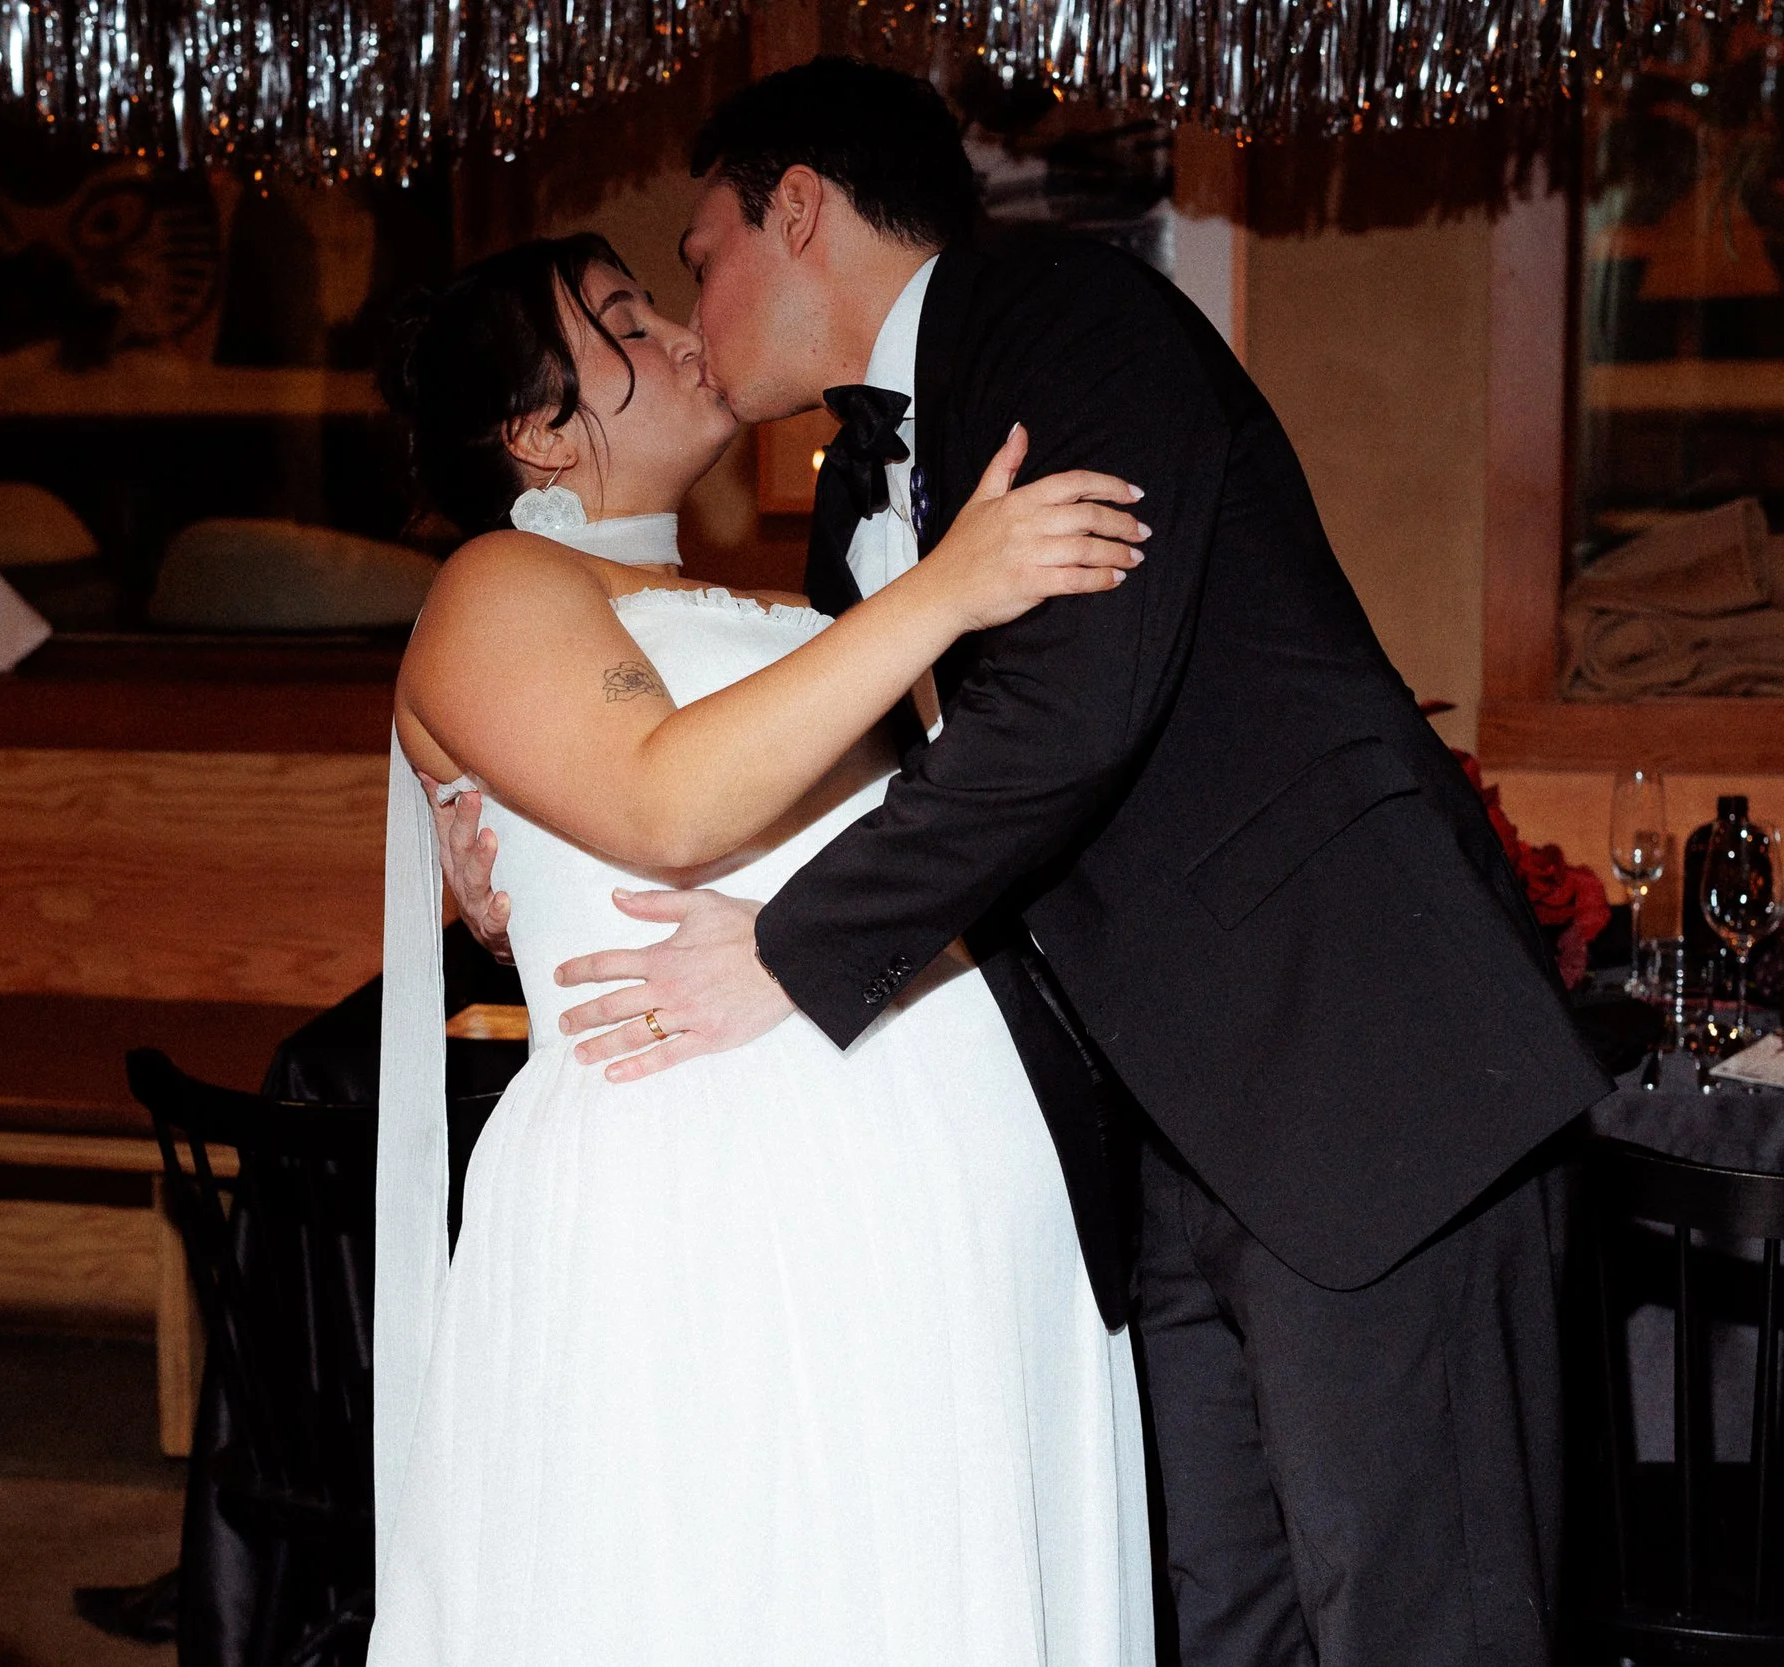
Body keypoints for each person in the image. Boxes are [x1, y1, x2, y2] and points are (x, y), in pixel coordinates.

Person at [440, 60, 1615, 1667]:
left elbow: (1078, 705)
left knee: (1424, 1623)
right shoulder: (850, 494)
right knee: (1220, 1618)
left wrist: (788, 946)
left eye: (698, 260)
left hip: (1356, 1076)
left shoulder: (1067, 318)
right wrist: (486, 797)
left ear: (797, 213)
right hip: (1158, 1129)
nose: (692, 310)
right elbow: (868, 781)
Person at [369, 231, 1155, 1663]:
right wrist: (953, 587)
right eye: (622, 319)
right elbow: (666, 799)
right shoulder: (497, 587)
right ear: (538, 433)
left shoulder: (789, 604)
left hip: (934, 1166)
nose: (678, 333)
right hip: (702, 1196)